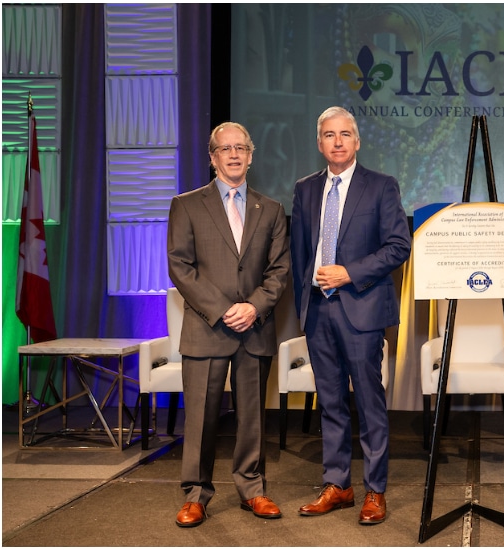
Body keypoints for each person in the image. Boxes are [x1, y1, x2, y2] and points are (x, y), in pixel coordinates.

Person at [290, 106, 411, 525]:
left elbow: (399, 246)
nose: (337, 142)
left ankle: (375, 490)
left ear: (357, 142)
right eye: (329, 135)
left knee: (370, 404)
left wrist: (349, 272)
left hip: (361, 309)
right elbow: (300, 256)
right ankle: (338, 485)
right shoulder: (305, 190)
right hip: (319, 312)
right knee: (331, 404)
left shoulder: (381, 186)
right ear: (319, 143)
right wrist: (303, 308)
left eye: (345, 134)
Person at [167, 122, 291, 527]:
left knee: (252, 417)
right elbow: (180, 268)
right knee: (201, 416)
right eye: (226, 148)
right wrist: (224, 310)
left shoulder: (270, 209)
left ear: (251, 155)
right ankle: (196, 494)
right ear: (213, 157)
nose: (234, 154)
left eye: (241, 147)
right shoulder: (186, 204)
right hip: (207, 328)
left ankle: (252, 489)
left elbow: (279, 271)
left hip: (255, 329)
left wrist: (252, 307)